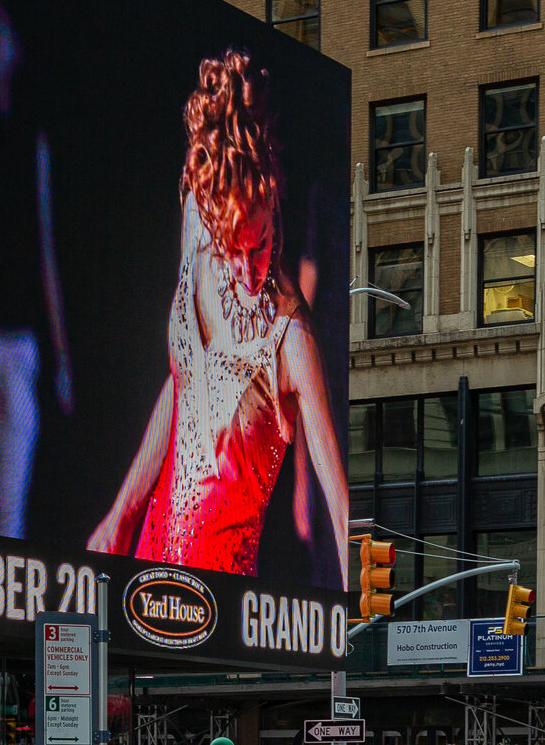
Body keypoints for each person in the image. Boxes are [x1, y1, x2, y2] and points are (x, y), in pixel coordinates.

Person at [88, 52, 351, 581]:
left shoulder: (293, 338)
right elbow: (182, 386)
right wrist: (121, 513)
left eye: (261, 247)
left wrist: (361, 627)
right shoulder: (196, 225)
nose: (250, 271)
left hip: (215, 588)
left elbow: (342, 506)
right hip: (150, 545)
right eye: (236, 253)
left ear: (274, 199)